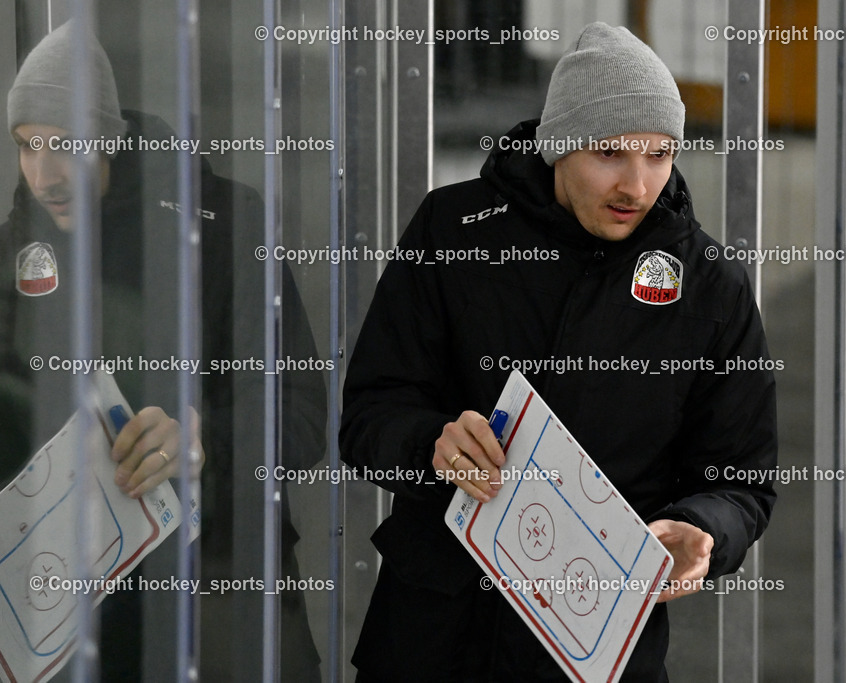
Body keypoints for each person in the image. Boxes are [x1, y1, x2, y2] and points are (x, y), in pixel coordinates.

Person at [339, 21, 778, 681]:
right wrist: (431, 443)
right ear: (558, 145)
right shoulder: (453, 229)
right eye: (610, 152)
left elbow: (742, 479)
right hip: (433, 641)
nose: (637, 184)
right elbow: (369, 413)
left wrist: (704, 528)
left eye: (659, 154)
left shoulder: (709, 283)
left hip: (598, 647)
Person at [0, 22, 326, 681]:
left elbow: (301, 410)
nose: (44, 174)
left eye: (65, 145)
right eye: (28, 147)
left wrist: (207, 445)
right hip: (66, 607)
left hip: (218, 588)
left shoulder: (227, 223)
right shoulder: (12, 253)